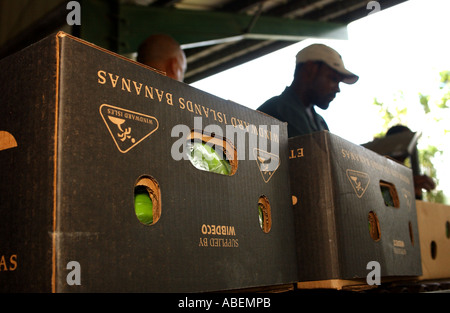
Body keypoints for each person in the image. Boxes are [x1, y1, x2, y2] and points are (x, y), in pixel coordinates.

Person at [257, 44, 358, 137]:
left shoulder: (321, 123)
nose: (337, 89)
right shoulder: (273, 111)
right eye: (333, 79)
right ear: (309, 70)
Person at [385, 125, 436, 199]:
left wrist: (416, 191)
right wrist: (406, 183)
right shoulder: (381, 168)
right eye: (406, 139)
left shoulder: (409, 173)